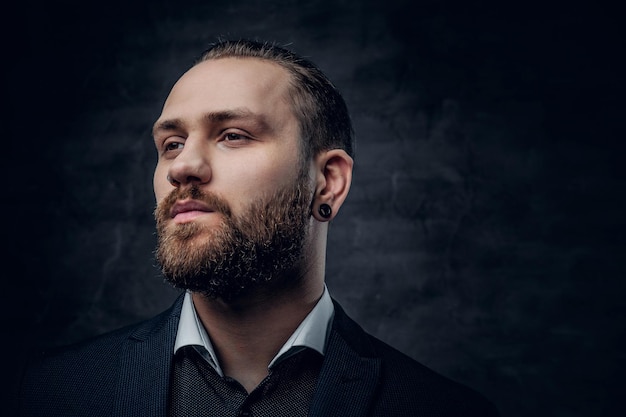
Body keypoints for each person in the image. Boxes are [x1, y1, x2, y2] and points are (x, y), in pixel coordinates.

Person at [16, 39, 499, 416]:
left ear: (328, 182)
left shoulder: (441, 410)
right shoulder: (47, 396)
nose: (183, 166)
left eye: (232, 135)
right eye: (171, 143)